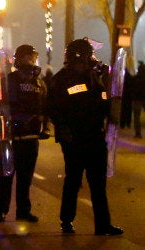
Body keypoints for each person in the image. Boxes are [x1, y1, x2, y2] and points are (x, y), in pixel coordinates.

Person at [47, 38, 123, 236]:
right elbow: (53, 108)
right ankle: (66, 220)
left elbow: (104, 103)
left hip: (95, 136)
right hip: (74, 138)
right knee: (73, 180)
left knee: (98, 183)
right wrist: (63, 130)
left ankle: (103, 225)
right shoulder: (61, 79)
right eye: (88, 55)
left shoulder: (94, 78)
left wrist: (105, 86)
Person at [0, 45, 49, 224]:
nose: (32, 60)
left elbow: (45, 107)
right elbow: (3, 106)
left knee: (25, 178)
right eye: (30, 56)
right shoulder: (10, 80)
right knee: (6, 176)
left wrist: (45, 128)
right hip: (12, 137)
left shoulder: (39, 82)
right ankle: (1, 211)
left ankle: (23, 211)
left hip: (31, 138)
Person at [132, 61, 145, 138]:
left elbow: (132, 88)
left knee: (137, 117)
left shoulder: (135, 78)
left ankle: (138, 133)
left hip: (137, 99)